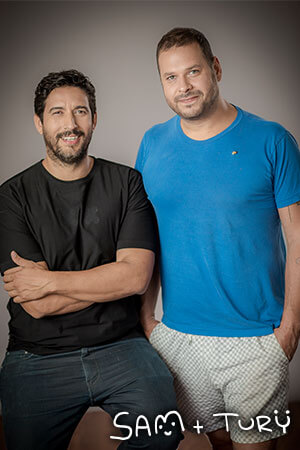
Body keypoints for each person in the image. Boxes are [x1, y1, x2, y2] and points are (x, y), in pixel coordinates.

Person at [0, 69, 183, 450]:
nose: (71, 124)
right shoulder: (11, 197)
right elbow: (38, 306)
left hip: (120, 344)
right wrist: (111, 279)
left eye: (81, 111)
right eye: (57, 113)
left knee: (162, 430)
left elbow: (136, 279)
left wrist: (50, 279)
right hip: (37, 355)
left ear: (94, 119)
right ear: (39, 122)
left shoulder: (127, 183)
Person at [135, 27, 300, 450]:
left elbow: (297, 237)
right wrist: (148, 321)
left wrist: (290, 329)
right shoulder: (152, 144)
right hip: (179, 338)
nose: (183, 86)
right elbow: (144, 235)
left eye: (193, 71)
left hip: (256, 338)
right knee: (220, 446)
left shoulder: (272, 140)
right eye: (170, 77)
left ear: (216, 68)